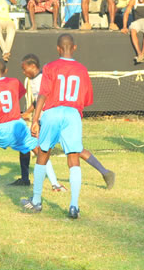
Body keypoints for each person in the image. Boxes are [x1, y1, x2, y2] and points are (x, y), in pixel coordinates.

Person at [23, 34, 94, 219]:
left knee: (43, 154)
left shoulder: (50, 67)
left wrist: (35, 119)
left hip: (52, 113)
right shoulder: (82, 69)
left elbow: (43, 95)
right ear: (74, 47)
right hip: (73, 114)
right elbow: (87, 100)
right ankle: (74, 206)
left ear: (58, 48)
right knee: (73, 158)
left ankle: (36, 201)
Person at [21, 53, 115, 188]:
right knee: (66, 149)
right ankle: (105, 172)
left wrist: (35, 117)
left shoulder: (43, 77)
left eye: (24, 68)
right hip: (52, 118)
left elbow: (44, 97)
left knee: (42, 150)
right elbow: (38, 101)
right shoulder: (35, 79)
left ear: (33, 66)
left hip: (52, 119)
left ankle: (53, 184)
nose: (23, 72)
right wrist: (29, 112)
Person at [0, 58, 62, 189]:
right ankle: (55, 184)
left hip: (0, 127)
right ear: (6, 70)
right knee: (38, 150)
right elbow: (16, 96)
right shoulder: (14, 82)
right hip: (18, 125)